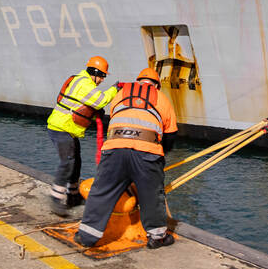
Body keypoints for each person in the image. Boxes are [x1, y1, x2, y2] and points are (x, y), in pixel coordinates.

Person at [74, 68, 178, 250]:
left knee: (102, 191)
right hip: (146, 152)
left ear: (138, 81)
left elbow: (113, 118)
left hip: (114, 148)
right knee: (152, 194)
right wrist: (160, 155)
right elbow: (170, 134)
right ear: (156, 85)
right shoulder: (161, 97)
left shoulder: (121, 94)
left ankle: (86, 236)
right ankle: (157, 237)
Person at [46, 56, 123, 216]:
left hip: (67, 129)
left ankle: (73, 196)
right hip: (61, 128)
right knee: (67, 162)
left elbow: (82, 106)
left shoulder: (82, 81)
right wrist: (115, 89)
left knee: (77, 161)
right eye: (102, 76)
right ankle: (55, 198)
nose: (102, 80)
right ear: (94, 72)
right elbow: (101, 100)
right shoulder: (84, 83)